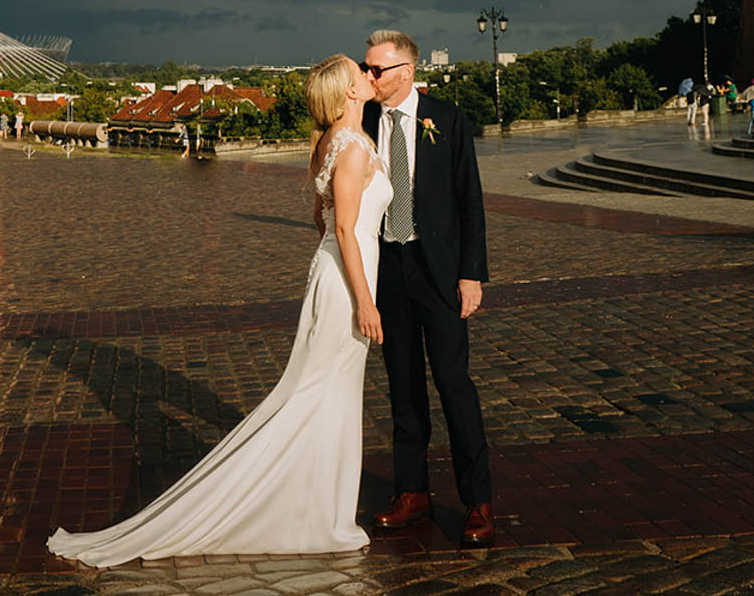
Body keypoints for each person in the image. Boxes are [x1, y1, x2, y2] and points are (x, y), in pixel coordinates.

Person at [47, 54, 389, 566]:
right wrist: (365, 300)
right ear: (349, 92)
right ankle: (311, 511)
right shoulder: (355, 148)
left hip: (336, 273)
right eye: (361, 71)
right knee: (320, 393)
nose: (369, 74)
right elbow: (341, 228)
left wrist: (340, 270)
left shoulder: (328, 146)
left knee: (324, 392)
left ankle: (322, 508)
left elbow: (321, 224)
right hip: (348, 282)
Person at [362, 29, 494, 547]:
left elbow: (471, 202)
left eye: (377, 70)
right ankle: (412, 492)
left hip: (437, 270)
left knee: (454, 384)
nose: (369, 77)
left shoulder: (449, 119)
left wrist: (471, 273)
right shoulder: (365, 120)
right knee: (402, 385)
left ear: (406, 72)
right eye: (366, 68)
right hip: (388, 267)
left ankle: (477, 501)